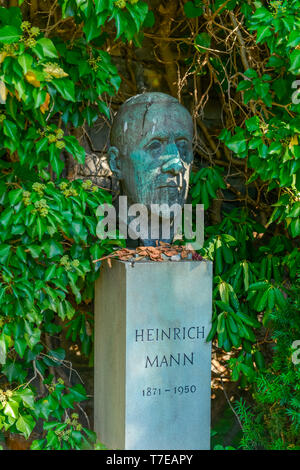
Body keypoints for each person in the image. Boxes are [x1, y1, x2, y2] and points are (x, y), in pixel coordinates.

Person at [108, 92, 194, 245]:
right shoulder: (108, 240)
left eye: (182, 146)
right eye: (155, 146)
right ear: (116, 163)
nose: (176, 165)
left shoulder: (191, 241)